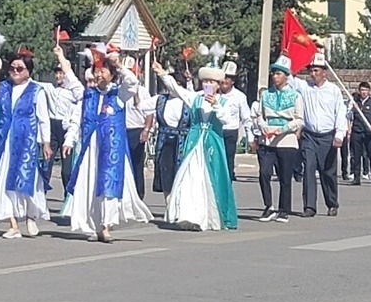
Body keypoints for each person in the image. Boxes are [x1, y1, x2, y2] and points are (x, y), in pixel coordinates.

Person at [57, 45, 152, 241]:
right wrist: (61, 57)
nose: (99, 75)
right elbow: (71, 78)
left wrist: (118, 64)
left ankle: (106, 225)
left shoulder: (119, 94)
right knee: (90, 184)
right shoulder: (88, 94)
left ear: (112, 74)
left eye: (103, 71)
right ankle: (93, 225)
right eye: (97, 71)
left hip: (112, 149)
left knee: (108, 184)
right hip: (92, 147)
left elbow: (133, 83)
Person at [0, 49, 52, 239]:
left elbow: (43, 119)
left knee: (26, 179)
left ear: (28, 71)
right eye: (12, 68)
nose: (15, 71)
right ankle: (13, 223)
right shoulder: (2, 87)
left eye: (19, 68)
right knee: (3, 179)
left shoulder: (36, 91)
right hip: (4, 141)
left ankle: (31, 216)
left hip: (26, 143)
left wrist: (45, 143)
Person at [156, 60, 239, 230]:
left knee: (210, 178)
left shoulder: (224, 102)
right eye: (205, 81)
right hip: (194, 141)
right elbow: (177, 90)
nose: (208, 84)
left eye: (212, 82)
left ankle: (208, 216)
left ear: (218, 84)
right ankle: (189, 215)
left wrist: (215, 104)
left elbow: (226, 119)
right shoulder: (195, 97)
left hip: (212, 143)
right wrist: (162, 73)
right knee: (190, 177)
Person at [288, 53, 345, 217]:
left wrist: (339, 134)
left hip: (328, 136)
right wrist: (287, 57)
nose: (313, 74)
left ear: (324, 72)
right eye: (311, 71)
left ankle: (332, 203)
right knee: (309, 169)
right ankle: (309, 206)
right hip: (310, 136)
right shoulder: (305, 87)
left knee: (328, 171)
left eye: (316, 71)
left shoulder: (333, 90)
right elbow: (289, 77)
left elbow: (340, 113)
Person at [254, 57, 301, 221]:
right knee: (264, 173)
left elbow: (299, 119)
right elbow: (259, 115)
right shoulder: (266, 95)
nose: (275, 76)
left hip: (286, 140)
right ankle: (268, 206)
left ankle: (284, 210)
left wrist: (282, 130)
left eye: (278, 73)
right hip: (267, 140)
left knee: (285, 176)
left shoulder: (295, 96)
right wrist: (264, 127)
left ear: (286, 75)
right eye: (273, 73)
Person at [152, 77, 187, 197]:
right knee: (166, 172)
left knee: (182, 173)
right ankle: (168, 203)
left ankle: (180, 204)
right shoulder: (161, 99)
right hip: (165, 140)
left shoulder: (189, 100)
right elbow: (141, 106)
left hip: (183, 141)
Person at [344, 81, 371, 186]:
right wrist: (351, 107)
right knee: (356, 155)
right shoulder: (355, 102)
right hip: (357, 131)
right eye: (362, 90)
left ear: (369, 91)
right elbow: (348, 116)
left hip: (369, 132)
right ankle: (356, 178)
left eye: (366, 90)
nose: (364, 92)